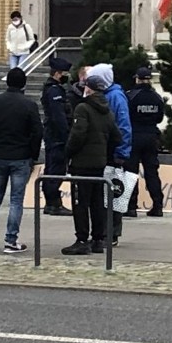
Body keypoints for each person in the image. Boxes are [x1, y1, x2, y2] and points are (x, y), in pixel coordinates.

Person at [0, 67, 42, 253]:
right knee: (16, 200)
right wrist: (33, 154)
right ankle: (10, 239)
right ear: (23, 84)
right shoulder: (28, 105)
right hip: (21, 156)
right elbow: (38, 132)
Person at [61, 73, 121, 256]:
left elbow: (78, 134)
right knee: (96, 202)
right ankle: (97, 239)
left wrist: (68, 152)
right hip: (99, 163)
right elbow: (117, 137)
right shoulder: (107, 111)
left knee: (80, 202)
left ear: (88, 88)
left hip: (82, 162)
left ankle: (81, 239)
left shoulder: (83, 108)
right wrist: (104, 150)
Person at [87, 63, 132, 246]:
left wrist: (121, 151)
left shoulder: (115, 97)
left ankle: (111, 234)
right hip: (103, 152)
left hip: (113, 153)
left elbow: (123, 125)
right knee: (103, 195)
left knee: (113, 194)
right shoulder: (108, 96)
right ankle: (103, 232)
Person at [126, 67, 166, 217]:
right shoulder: (157, 97)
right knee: (152, 172)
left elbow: (125, 116)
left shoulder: (130, 96)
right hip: (151, 136)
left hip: (134, 136)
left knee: (130, 172)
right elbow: (159, 118)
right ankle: (158, 205)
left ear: (137, 79)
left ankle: (131, 207)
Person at [40, 56, 73, 216]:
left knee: (53, 168)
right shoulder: (54, 90)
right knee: (56, 169)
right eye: (65, 73)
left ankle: (53, 202)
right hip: (56, 136)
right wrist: (66, 135)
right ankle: (53, 203)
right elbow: (58, 116)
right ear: (58, 73)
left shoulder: (54, 89)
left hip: (54, 135)